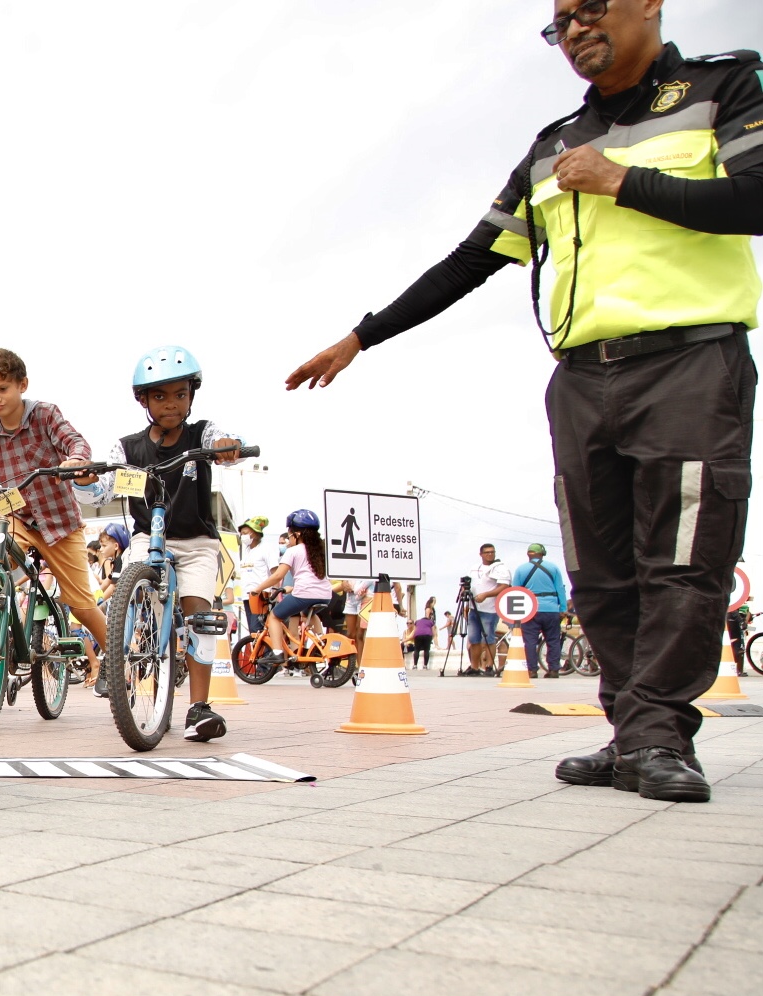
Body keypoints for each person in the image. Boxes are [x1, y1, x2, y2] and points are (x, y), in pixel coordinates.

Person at [285, 1, 760, 801]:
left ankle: (656, 735)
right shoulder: (552, 145)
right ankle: (629, 730)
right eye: (559, 22)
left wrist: (621, 181)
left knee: (681, 560)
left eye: (590, 9)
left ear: (647, 2)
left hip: (689, 362)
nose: (574, 29)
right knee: (601, 572)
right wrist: (360, 337)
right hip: (580, 378)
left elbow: (756, 197)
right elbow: (468, 260)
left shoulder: (723, 88)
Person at [77, 346, 246, 739]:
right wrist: (85, 480)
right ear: (143, 401)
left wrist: (227, 447)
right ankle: (121, 661)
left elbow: (224, 443)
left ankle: (200, 708)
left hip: (196, 542)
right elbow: (104, 491)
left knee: (198, 612)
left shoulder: (201, 433)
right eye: (159, 396)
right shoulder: (128, 448)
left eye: (180, 394)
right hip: (145, 538)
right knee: (132, 593)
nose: (171, 404)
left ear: (191, 395)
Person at [0, 347, 110, 696]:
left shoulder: (45, 414)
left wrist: (75, 459)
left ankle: (116, 658)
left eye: (2, 389)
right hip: (17, 518)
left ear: (22, 385)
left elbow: (74, 441)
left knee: (82, 604)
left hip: (59, 524)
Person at [254, 511, 335, 662]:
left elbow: (278, 576)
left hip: (305, 594)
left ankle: (277, 653)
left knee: (275, 617)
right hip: (325, 595)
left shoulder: (293, 551)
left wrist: (257, 589)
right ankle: (322, 645)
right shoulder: (321, 550)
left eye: (290, 535)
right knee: (308, 614)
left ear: (297, 534)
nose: (288, 540)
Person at [514, 542, 569, 678]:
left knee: (530, 642)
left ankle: (532, 671)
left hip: (530, 610)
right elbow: (560, 589)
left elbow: (516, 592)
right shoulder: (553, 568)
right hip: (551, 609)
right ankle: (554, 669)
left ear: (528, 554)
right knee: (553, 640)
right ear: (542, 554)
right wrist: (563, 608)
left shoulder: (521, 569)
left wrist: (516, 614)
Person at [464, 544, 509, 676]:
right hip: (474, 608)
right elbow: (470, 585)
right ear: (481, 554)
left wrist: (486, 595)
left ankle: (489, 666)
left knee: (488, 638)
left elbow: (504, 586)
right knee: (473, 638)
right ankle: (475, 666)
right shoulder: (474, 568)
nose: (490, 555)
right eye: (487, 552)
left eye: (492, 552)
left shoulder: (500, 568)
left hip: (490, 609)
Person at [236, 517, 275, 634]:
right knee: (252, 631)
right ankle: (259, 652)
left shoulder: (266, 549)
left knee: (258, 628)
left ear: (255, 534)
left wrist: (275, 594)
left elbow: (276, 572)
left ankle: (267, 652)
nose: (242, 536)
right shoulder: (246, 551)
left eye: (245, 533)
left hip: (261, 596)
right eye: (241, 534)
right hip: (247, 596)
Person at [412, 597, 438, 669]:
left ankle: (415, 665)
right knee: (426, 649)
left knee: (416, 649)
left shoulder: (418, 622)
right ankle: (425, 665)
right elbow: (433, 633)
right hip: (427, 633)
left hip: (418, 635)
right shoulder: (429, 617)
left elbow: (415, 631)